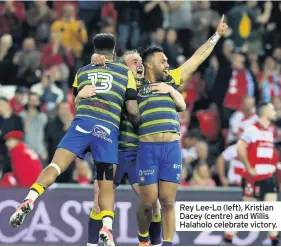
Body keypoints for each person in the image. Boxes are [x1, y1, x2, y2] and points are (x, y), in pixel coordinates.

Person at [9, 33, 140, 247]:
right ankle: (107, 227)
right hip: (106, 130)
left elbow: (77, 103)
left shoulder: (82, 71)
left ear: (96, 51)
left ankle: (30, 198)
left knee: (55, 165)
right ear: (114, 53)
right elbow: (133, 109)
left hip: (81, 125)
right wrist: (136, 122)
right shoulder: (125, 73)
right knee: (105, 183)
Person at [136, 15, 228, 246]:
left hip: (171, 148)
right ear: (149, 64)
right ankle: (143, 238)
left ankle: (167, 243)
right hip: (147, 148)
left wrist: (216, 35)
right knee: (148, 204)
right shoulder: (134, 86)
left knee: (168, 201)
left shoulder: (173, 80)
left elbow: (197, 57)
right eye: (163, 60)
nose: (167, 64)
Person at [87, 50, 163, 246]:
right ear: (122, 67)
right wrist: (96, 59)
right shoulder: (113, 86)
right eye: (133, 62)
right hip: (113, 153)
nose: (139, 65)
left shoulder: (149, 87)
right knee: (98, 203)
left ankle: (148, 243)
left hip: (138, 155)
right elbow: (97, 75)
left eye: (140, 62)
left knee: (154, 204)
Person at [221, 102, 280, 246]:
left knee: (271, 207)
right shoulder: (252, 130)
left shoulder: (269, 132)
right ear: (265, 112)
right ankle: (228, 237)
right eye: (272, 109)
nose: (275, 112)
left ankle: (274, 240)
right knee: (248, 210)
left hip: (268, 177)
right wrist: (248, 167)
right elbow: (240, 148)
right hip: (253, 178)